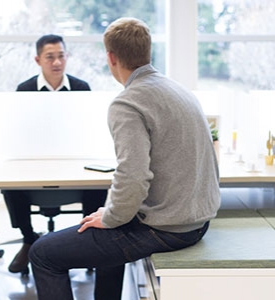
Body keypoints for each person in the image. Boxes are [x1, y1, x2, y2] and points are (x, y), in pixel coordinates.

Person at [29, 18, 221, 300]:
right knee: (107, 232)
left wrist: (111, 217)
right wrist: (111, 216)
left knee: (43, 253)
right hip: (196, 222)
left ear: (111, 57)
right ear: (147, 51)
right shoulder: (179, 90)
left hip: (166, 228)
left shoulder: (128, 102)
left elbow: (133, 176)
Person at [2, 34, 108, 274]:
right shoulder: (25, 90)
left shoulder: (81, 88)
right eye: (50, 57)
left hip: (74, 159)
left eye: (61, 56)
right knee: (11, 184)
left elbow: (89, 129)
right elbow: (19, 132)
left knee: (97, 182)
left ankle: (88, 241)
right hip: (36, 161)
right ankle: (28, 239)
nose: (57, 62)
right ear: (38, 60)